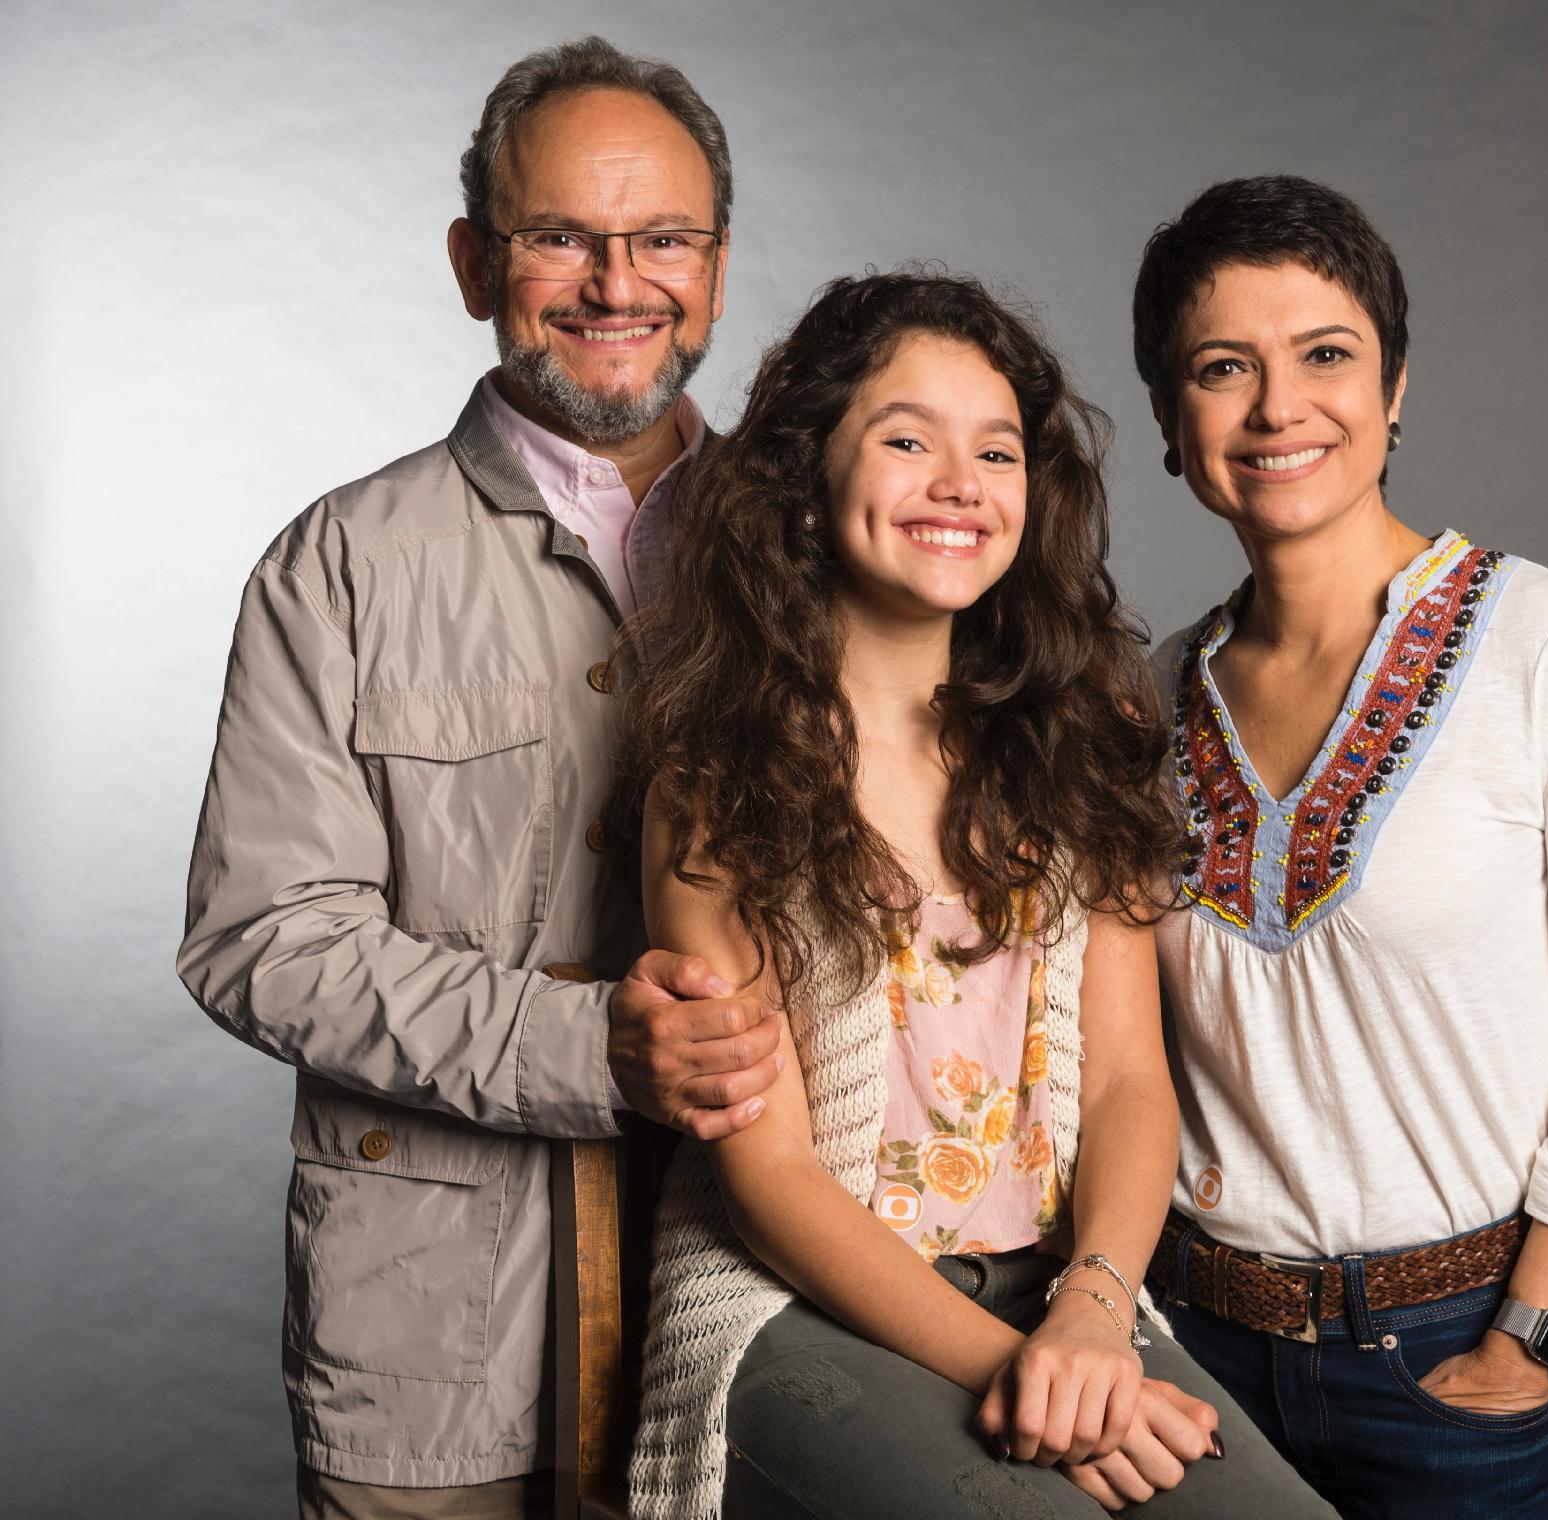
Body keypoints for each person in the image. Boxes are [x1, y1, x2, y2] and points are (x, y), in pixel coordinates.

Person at [612, 271, 1336, 1519]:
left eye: (995, 449)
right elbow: (772, 1176)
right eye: (908, 439)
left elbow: (1124, 1082)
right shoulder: (716, 777)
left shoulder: (1081, 740)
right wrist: (1025, 1374)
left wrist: (1096, 1317)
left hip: (1064, 1291)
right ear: (808, 473)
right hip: (797, 1305)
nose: (960, 482)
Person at [175, 38, 783, 1519]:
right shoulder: (341, 565)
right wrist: (592, 1052)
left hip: (769, 1314)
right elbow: (261, 940)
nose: (615, 281)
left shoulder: (822, 544)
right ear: (472, 261)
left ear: (715, 263)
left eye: (664, 239)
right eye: (559, 234)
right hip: (428, 1343)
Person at [1129, 174, 1548, 1518]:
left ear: (1393, 390)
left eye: (1326, 355)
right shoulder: (1146, 701)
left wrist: (1536, 1336)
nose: (1279, 408)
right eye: (1224, 368)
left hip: (1462, 1354)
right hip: (1199, 1366)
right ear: (1169, 421)